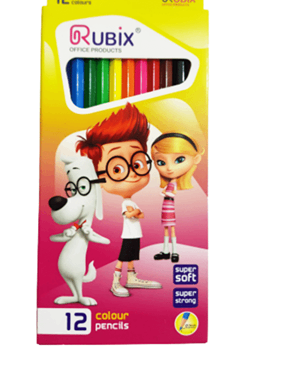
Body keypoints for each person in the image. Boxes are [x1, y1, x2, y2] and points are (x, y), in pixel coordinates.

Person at [76, 103, 161, 297]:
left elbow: (139, 214)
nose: (132, 173)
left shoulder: (131, 201)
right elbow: (131, 214)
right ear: (98, 177)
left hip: (135, 234)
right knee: (123, 257)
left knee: (132, 256)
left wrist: (137, 213)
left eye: (137, 163)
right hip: (128, 235)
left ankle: (131, 277)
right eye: (117, 168)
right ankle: (116, 281)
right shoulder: (126, 203)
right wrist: (136, 213)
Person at [151, 133, 203, 263]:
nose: (169, 168)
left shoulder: (176, 184)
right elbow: (167, 191)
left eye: (179, 160)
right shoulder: (169, 183)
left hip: (171, 208)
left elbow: (173, 193)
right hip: (165, 208)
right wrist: (164, 192)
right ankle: (165, 251)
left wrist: (166, 193)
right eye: (161, 162)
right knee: (165, 230)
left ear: (196, 158)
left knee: (172, 230)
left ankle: (174, 252)